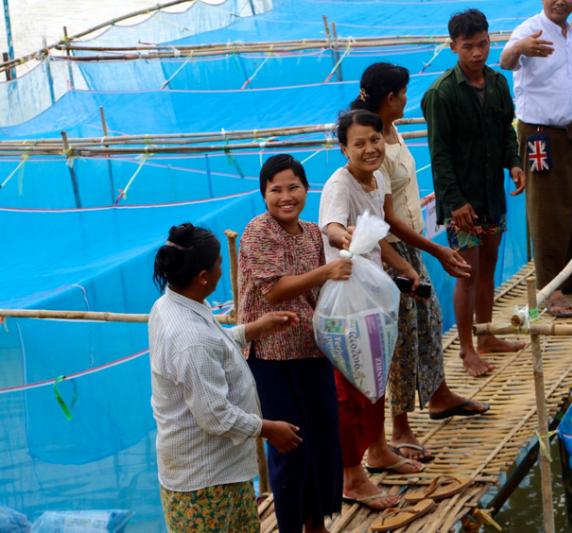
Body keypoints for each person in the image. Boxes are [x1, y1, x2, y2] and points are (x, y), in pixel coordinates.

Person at [350, 62, 490, 463]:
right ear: (391, 97)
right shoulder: (372, 140)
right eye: (403, 93)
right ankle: (400, 426)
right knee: (401, 338)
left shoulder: (389, 132)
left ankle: (438, 393)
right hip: (391, 249)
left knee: (428, 321)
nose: (407, 99)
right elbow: (383, 216)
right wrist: (434, 251)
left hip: (412, 242)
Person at [149, 223, 301, 533]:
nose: (222, 269)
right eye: (219, 262)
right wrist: (268, 429)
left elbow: (212, 346)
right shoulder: (189, 338)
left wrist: (251, 330)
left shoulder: (170, 305)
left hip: (220, 471)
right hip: (206, 485)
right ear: (203, 276)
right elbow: (215, 416)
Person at [238, 155, 352, 533]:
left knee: (321, 438)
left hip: (312, 347)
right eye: (276, 190)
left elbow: (317, 292)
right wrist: (328, 271)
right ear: (263, 194)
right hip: (272, 355)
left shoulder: (310, 232)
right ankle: (291, 526)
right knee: (289, 444)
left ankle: (315, 522)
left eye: (294, 187)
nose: (286, 197)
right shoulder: (258, 230)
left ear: (306, 189)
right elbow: (273, 291)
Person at [318, 109, 425, 510]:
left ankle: (378, 450)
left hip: (372, 297)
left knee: (375, 378)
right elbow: (331, 226)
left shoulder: (378, 178)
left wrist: (405, 268)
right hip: (346, 302)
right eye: (358, 143)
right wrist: (341, 233)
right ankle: (351, 475)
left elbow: (378, 236)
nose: (369, 149)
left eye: (375, 140)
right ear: (343, 148)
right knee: (349, 390)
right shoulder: (338, 186)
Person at [422, 9, 527, 378]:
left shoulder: (498, 83)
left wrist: (513, 162)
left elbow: (506, 132)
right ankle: (467, 350)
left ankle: (486, 335)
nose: (477, 53)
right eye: (468, 47)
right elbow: (440, 154)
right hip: (461, 203)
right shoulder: (441, 94)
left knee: (489, 264)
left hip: (491, 195)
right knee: (466, 272)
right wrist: (454, 202)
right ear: (453, 47)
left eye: (483, 45)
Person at [500, 0, 572, 319]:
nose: (561, 2)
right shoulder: (529, 30)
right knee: (547, 210)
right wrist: (521, 46)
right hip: (540, 135)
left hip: (571, 131)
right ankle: (551, 289)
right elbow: (506, 60)